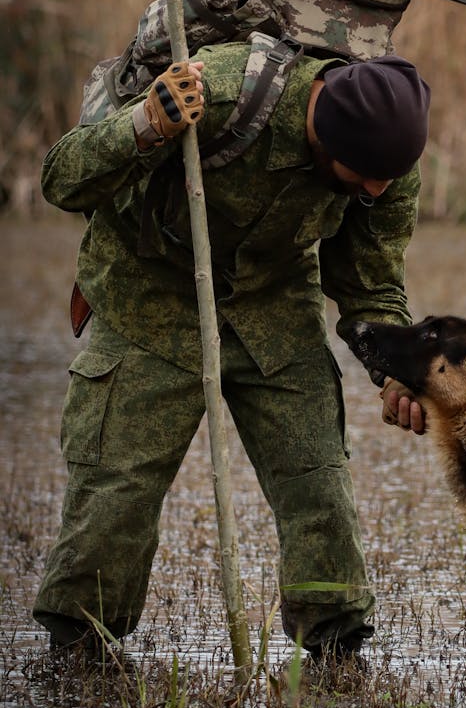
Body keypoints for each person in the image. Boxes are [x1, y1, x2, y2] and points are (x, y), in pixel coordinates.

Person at [33, 41, 430, 660]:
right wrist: (145, 127)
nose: (376, 188)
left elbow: (371, 283)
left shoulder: (388, 168)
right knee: (118, 490)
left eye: (388, 179)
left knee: (318, 481)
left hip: (272, 306)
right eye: (364, 176)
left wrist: (396, 370)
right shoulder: (213, 93)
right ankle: (80, 642)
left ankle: (335, 640)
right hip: (149, 297)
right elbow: (61, 179)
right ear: (325, 136)